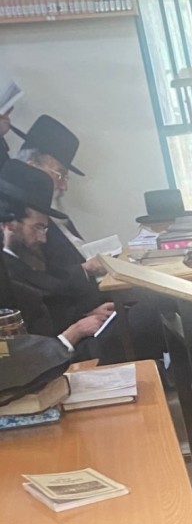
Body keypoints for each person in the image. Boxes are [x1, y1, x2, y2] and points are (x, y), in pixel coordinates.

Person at [0, 160, 112, 356]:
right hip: (60, 357)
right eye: (37, 228)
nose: (43, 238)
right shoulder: (6, 277)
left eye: (44, 229)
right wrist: (76, 331)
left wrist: (86, 315)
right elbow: (22, 353)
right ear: (10, 225)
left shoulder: (24, 257)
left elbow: (53, 306)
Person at [14, 115, 101, 278]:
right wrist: (85, 269)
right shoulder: (16, 215)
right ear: (32, 165)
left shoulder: (55, 212)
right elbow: (31, 279)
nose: (64, 187)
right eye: (60, 175)